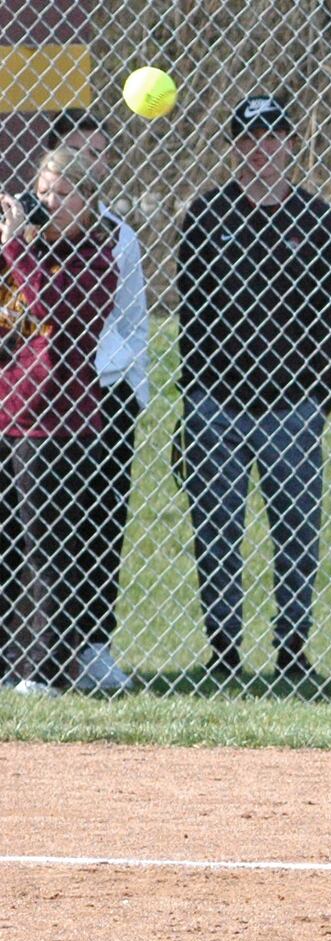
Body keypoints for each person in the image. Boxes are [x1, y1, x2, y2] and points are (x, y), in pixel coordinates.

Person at [175, 95, 331, 682]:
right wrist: (194, 400)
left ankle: (292, 650)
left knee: (298, 533)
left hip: (293, 410)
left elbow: (330, 322)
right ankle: (224, 650)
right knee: (216, 532)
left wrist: (318, 401)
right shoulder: (206, 215)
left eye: (275, 136)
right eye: (250, 139)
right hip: (216, 405)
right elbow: (191, 320)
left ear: (291, 144)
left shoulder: (318, 219)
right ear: (235, 147)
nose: (263, 149)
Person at [1, 147, 119, 697]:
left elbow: (52, 308)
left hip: (62, 424)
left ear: (88, 203)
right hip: (10, 413)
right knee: (10, 547)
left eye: (64, 193)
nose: (49, 203)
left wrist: (16, 247)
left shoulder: (97, 257)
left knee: (51, 548)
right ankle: (10, 662)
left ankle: (46, 672)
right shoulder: (17, 253)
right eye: (43, 192)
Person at [44, 110, 148, 692]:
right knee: (40, 529)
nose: (91, 160)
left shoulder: (118, 235)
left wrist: (122, 381)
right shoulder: (24, 236)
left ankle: (92, 643)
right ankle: (33, 647)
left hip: (104, 396)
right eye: (77, 150)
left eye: (100, 152)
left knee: (99, 526)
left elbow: (134, 323)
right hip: (36, 401)